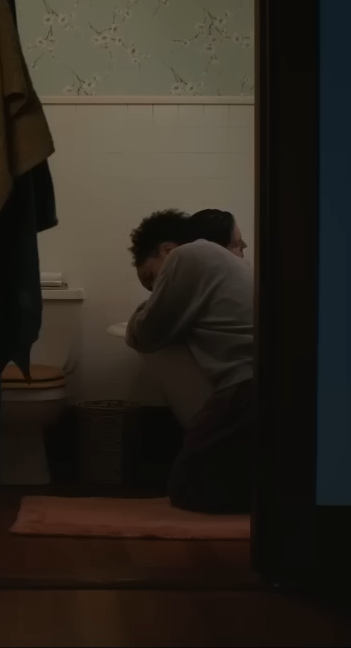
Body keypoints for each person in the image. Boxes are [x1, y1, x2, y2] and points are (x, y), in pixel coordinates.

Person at [124, 209, 257, 514]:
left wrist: (144, 308)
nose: (155, 289)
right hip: (258, 381)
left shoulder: (188, 256)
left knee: (187, 488)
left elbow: (145, 335)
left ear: (167, 250)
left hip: (246, 386)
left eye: (151, 278)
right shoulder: (224, 263)